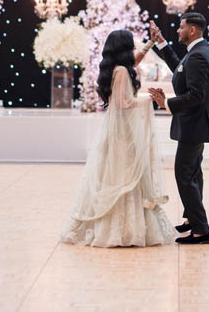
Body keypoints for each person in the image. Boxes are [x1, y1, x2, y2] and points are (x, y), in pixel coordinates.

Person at [60, 29, 177, 248]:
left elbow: (136, 60)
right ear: (124, 47)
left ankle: (119, 227)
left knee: (116, 173)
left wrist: (150, 43)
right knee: (125, 174)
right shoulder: (123, 71)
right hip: (123, 132)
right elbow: (123, 104)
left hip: (118, 129)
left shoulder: (117, 67)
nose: (135, 47)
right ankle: (123, 230)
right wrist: (148, 101)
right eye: (131, 44)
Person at [147, 13, 209, 245]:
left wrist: (165, 103)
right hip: (193, 124)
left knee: (185, 176)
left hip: (193, 125)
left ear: (193, 30)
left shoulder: (198, 56)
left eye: (181, 27)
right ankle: (191, 220)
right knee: (193, 174)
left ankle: (201, 230)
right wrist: (161, 43)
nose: (178, 30)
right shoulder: (198, 51)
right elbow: (179, 68)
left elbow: (196, 96)